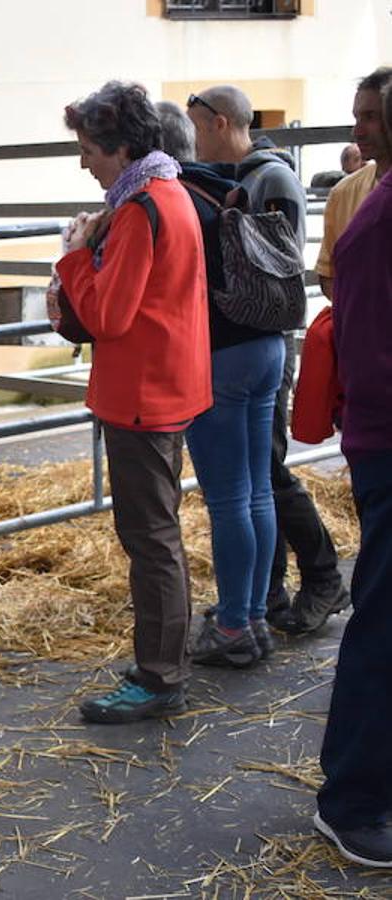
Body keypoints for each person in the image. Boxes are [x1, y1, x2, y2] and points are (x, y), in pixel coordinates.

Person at [56, 82, 211, 724]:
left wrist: (73, 257)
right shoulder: (164, 194)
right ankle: (161, 660)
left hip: (144, 393)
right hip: (164, 385)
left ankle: (160, 677)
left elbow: (109, 316)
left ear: (120, 149)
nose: (84, 162)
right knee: (156, 533)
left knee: (149, 537)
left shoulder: (140, 208)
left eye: (89, 149)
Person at [188, 85, 349, 634]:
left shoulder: (268, 178)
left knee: (266, 474)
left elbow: (268, 266)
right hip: (255, 337)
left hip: (257, 336)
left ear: (221, 122)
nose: (193, 139)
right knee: (257, 478)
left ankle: (323, 575)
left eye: (197, 127)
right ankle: (265, 594)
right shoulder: (242, 179)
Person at [157, 101, 285, 668]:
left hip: (222, 355)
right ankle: (252, 614)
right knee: (257, 490)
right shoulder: (231, 182)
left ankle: (233, 626)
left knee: (230, 497)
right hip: (266, 342)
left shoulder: (173, 200)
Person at [313, 82, 392, 869]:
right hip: (388, 443)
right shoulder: (374, 214)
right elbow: (368, 350)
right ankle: (353, 800)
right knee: (383, 623)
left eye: (372, 115)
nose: (358, 128)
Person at [315, 70, 390, 305]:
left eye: (370, 117)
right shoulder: (343, 193)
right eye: (357, 118)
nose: (357, 131)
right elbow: (329, 276)